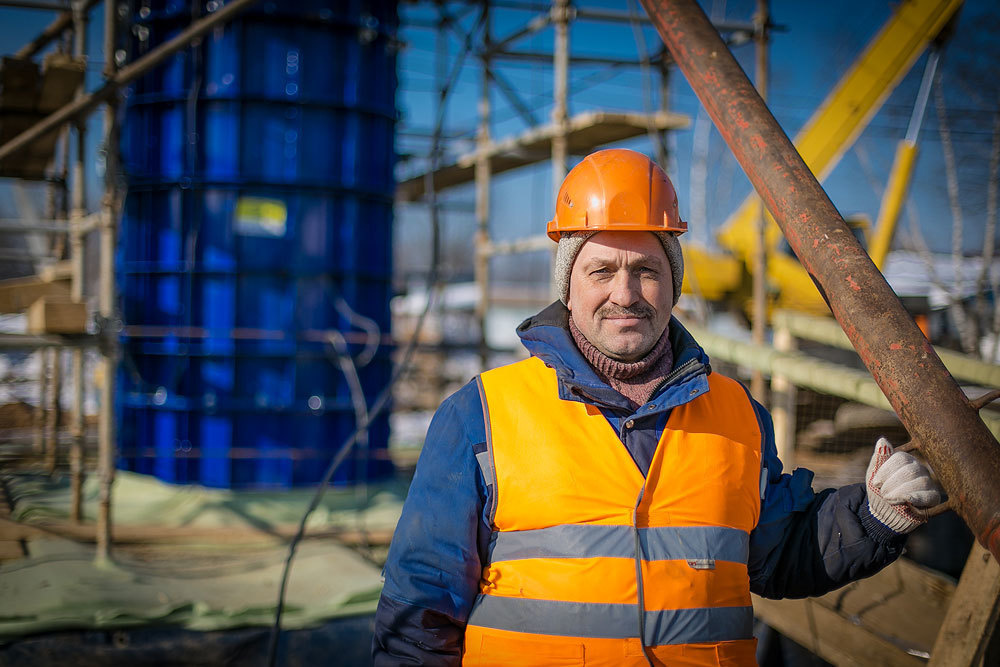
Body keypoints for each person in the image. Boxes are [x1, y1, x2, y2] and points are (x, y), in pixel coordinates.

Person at [373, 149, 942, 666]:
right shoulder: (480, 414)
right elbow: (419, 613)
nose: (625, 293)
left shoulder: (738, 415)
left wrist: (872, 515)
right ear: (568, 285)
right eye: (601, 271)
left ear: (673, 284)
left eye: (646, 270)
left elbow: (778, 555)